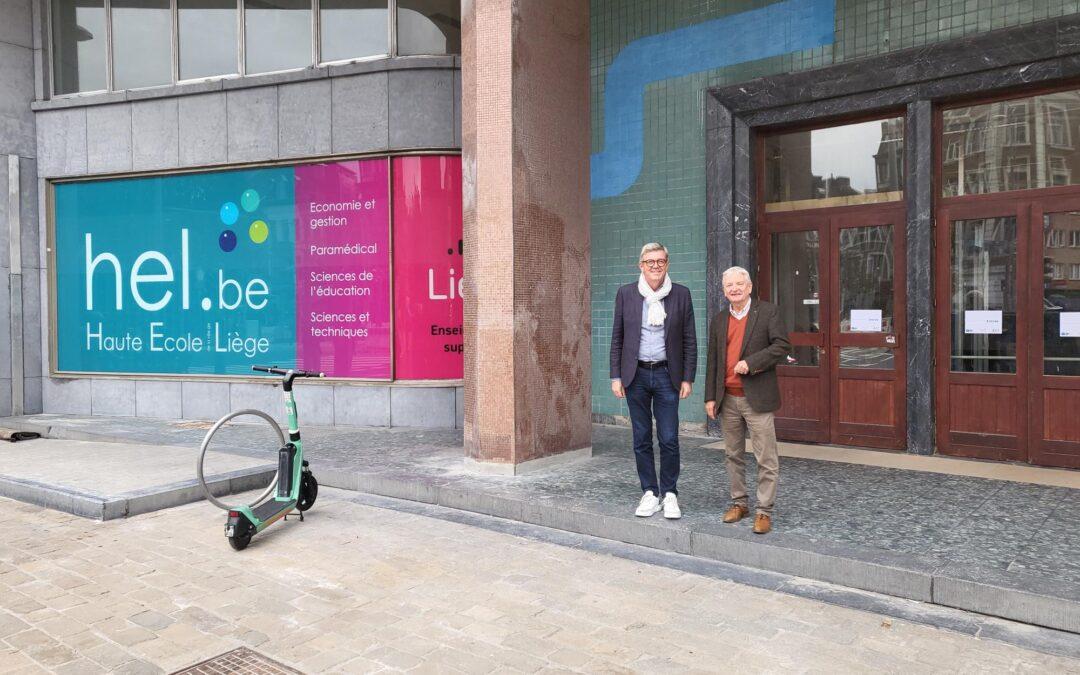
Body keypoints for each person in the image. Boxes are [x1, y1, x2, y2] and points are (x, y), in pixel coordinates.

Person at [610, 243, 696, 520]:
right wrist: (616, 376)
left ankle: (669, 493)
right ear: (641, 265)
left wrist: (687, 377)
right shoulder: (626, 294)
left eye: (660, 261)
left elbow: (689, 340)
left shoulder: (681, 294)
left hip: (666, 375)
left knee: (669, 437)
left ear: (667, 264)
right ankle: (649, 491)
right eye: (650, 261)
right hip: (634, 375)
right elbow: (617, 338)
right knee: (641, 437)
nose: (655, 265)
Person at [704, 266, 790, 534]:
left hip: (757, 398)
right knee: (733, 455)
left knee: (766, 457)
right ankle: (739, 503)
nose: (734, 289)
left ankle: (764, 510)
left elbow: (781, 347)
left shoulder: (767, 312)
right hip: (727, 398)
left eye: (739, 284)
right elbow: (713, 361)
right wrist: (710, 397)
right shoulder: (719, 320)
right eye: (729, 285)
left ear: (750, 287)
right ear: (724, 290)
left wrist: (751, 363)